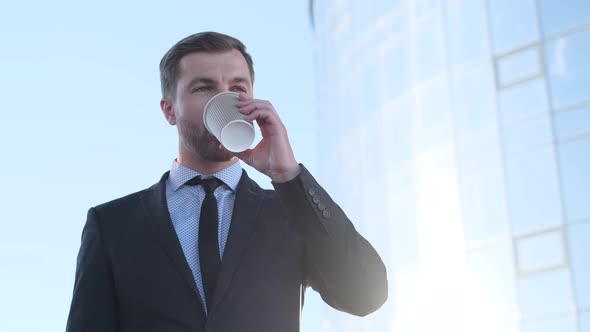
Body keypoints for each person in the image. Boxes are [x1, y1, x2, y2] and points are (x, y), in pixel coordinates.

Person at [66, 31, 387, 332]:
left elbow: (365, 294)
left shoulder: (290, 212)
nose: (225, 100)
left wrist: (289, 176)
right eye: (203, 88)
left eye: (237, 89)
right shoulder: (112, 224)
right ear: (169, 110)